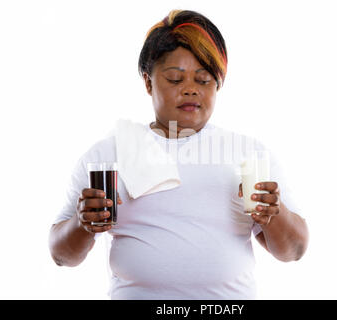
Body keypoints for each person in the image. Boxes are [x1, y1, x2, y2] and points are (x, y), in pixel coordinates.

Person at [49, 9, 309, 300]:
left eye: (203, 80)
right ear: (148, 82)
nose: (190, 90)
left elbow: (294, 252)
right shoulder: (108, 155)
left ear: (218, 85)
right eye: (175, 79)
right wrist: (82, 224)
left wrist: (274, 215)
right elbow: (62, 257)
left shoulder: (248, 155)